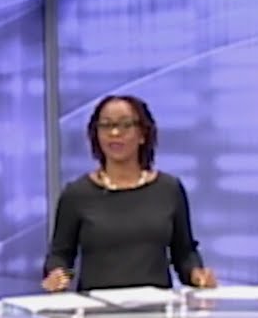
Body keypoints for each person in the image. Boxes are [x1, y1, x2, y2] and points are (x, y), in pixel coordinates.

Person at [41, 95, 217, 293]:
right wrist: (58, 275)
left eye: (125, 125)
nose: (115, 133)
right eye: (106, 125)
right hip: (96, 308)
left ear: (143, 134)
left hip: (155, 307)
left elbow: (184, 253)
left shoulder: (168, 189)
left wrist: (196, 274)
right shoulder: (77, 194)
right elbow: (60, 255)